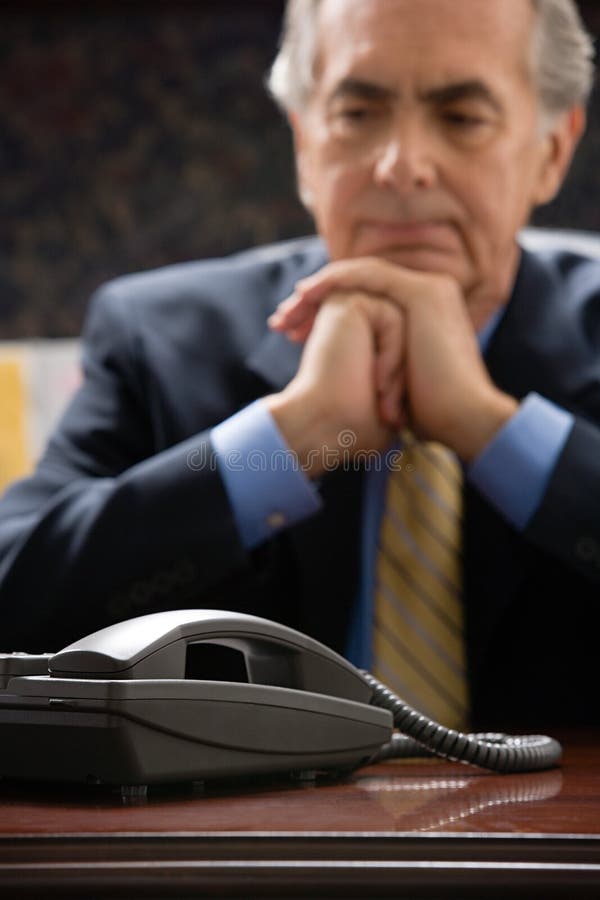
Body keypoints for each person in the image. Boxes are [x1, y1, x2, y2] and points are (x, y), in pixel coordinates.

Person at [0, 0, 598, 728]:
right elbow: (14, 597)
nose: (401, 164)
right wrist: (291, 441)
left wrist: (490, 429)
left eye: (461, 118)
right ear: (303, 145)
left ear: (553, 150)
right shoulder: (159, 336)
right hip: (237, 839)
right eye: (357, 114)